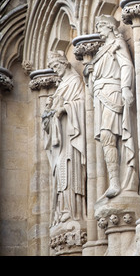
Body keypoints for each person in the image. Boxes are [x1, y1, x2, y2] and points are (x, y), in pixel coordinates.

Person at [88, 14, 137, 198]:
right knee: (105, 139)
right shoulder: (101, 51)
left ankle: (117, 182)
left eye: (101, 26)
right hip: (100, 96)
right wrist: (90, 75)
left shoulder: (118, 43)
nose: (99, 30)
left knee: (109, 135)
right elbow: (93, 82)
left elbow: (127, 66)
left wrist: (126, 88)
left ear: (109, 27)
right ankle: (113, 181)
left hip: (113, 92)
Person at [42, 51, 86, 225]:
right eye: (52, 67)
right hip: (59, 139)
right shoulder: (60, 87)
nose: (55, 69)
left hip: (71, 136)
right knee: (60, 174)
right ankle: (62, 210)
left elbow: (82, 103)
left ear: (65, 63)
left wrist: (65, 108)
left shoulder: (75, 81)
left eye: (56, 65)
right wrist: (48, 113)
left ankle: (73, 211)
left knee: (70, 169)